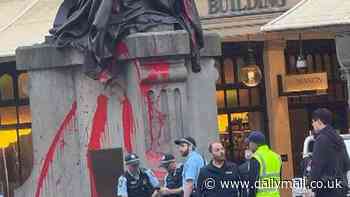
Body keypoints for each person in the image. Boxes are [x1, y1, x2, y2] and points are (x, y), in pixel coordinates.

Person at [310, 108, 350, 197]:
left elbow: (316, 166)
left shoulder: (321, 139)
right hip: (341, 188)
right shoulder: (338, 138)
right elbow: (347, 163)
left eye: (313, 122)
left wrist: (311, 186)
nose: (312, 124)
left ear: (319, 121)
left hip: (326, 189)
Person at [244, 131, 282, 197]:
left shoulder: (256, 158)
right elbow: (279, 180)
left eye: (249, 143)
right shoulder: (277, 157)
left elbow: (252, 184)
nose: (249, 146)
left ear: (254, 144)